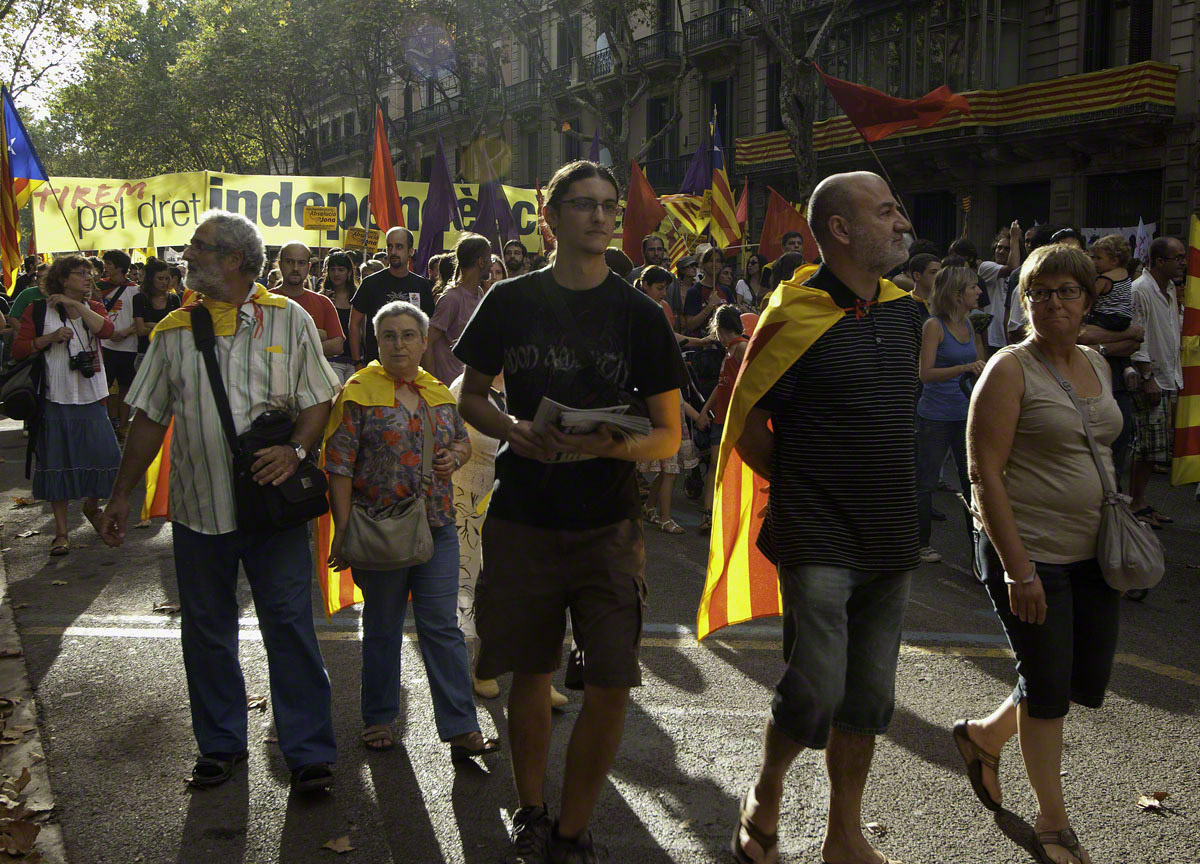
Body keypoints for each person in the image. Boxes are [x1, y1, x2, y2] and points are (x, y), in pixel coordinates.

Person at [453, 160, 686, 864]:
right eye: (583, 205)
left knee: (612, 681)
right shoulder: (509, 300)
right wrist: (514, 429)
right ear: (550, 217)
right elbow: (470, 397)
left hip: (609, 527)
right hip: (523, 515)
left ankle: (572, 830)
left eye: (609, 206)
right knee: (530, 672)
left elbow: (669, 436)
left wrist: (607, 447)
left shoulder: (640, 313)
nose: (600, 216)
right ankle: (532, 811)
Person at [96, 210, 340, 793]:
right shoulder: (175, 329)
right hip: (198, 511)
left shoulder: (291, 319)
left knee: (289, 626)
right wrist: (121, 495)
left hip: (272, 509)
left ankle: (307, 750)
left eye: (198, 247)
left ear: (232, 259)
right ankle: (221, 744)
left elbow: (318, 401)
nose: (188, 254)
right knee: (206, 629)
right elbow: (149, 417)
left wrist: (298, 453)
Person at [728, 171, 921, 864]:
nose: (902, 222)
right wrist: (803, 480)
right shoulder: (792, 311)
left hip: (893, 533)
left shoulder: (906, 312)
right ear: (840, 230)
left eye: (897, 210)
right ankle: (767, 789)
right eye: (887, 210)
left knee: (869, 699)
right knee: (817, 690)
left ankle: (844, 835)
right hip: (817, 533)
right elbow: (745, 419)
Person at [956, 244, 1120, 864]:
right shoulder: (1008, 369)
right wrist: (1018, 569)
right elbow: (984, 472)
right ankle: (1053, 823)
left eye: (1066, 291)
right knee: (1049, 690)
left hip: (1096, 553)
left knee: (1077, 680)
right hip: (1031, 556)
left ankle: (982, 736)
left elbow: (1101, 446)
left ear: (1087, 299)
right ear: (1024, 303)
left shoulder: (1097, 366)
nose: (1053, 302)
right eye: (1040, 292)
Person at [324, 300, 501, 758]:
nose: (399, 343)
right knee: (382, 626)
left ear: (425, 342)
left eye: (408, 335)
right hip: (379, 529)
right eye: (389, 336)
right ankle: (379, 719)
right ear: (376, 342)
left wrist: (455, 457)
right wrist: (342, 531)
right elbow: (338, 465)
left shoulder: (439, 391)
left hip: (437, 526)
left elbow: (461, 443)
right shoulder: (357, 391)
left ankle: (461, 728)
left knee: (441, 627)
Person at [12, 255, 121, 557]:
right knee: (56, 462)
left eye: (90, 273)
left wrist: (77, 307)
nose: (88, 278)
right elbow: (19, 349)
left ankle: (92, 506)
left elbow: (107, 331)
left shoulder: (92, 307)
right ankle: (61, 533)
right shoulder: (37, 310)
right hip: (53, 396)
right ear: (62, 279)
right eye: (80, 274)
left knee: (107, 456)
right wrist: (48, 338)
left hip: (91, 394)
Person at [915, 265, 986, 564]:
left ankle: (980, 550)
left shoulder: (970, 323)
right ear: (957, 294)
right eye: (973, 287)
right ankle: (920, 543)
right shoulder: (934, 326)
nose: (979, 291)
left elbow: (981, 360)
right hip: (935, 417)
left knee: (974, 481)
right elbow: (925, 373)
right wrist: (963, 368)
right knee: (925, 482)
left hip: (965, 414)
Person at [634, 265, 703, 536]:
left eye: (665, 288)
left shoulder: (661, 308)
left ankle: (651, 508)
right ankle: (664, 516)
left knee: (668, 467)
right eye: (659, 288)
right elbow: (669, 340)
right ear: (646, 286)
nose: (663, 293)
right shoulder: (641, 310)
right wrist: (698, 342)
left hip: (667, 390)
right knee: (669, 466)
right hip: (655, 393)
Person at [1128, 235, 1187, 528]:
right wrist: (1147, 375)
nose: (1183, 263)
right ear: (1160, 261)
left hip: (1168, 376)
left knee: (1156, 448)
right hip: (1150, 378)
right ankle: (1135, 504)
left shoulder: (1171, 289)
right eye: (1178, 258)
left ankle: (1141, 502)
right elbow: (1138, 336)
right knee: (1146, 446)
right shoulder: (1140, 290)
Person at [1077, 233, 1143, 485]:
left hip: (1113, 375)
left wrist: (1102, 345)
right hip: (1096, 374)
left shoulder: (1104, 280)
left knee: (1118, 438)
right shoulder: (1126, 277)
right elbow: (1082, 337)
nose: (1093, 261)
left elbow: (1134, 341)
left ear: (1114, 259)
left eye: (1097, 257)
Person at [697, 305, 749, 534]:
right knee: (716, 467)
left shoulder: (741, 348)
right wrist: (704, 411)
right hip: (721, 417)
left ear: (718, 328)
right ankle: (709, 514)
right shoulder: (729, 350)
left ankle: (723, 514)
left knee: (726, 468)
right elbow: (721, 386)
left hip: (735, 419)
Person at [349, 227, 433, 367]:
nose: (393, 252)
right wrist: (357, 362)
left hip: (411, 368)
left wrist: (426, 368)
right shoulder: (370, 283)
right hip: (376, 368)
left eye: (399, 247)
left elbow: (427, 329)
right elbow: (354, 323)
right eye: (390, 246)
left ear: (411, 251)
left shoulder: (421, 285)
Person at [426, 232, 489, 386]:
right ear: (480, 262)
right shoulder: (451, 298)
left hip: (466, 386)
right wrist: (433, 385)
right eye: (489, 259)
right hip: (447, 389)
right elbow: (427, 341)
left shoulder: (479, 292)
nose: (491, 264)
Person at [272, 242, 345, 362]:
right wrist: (316, 335)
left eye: (301, 263)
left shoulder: (323, 302)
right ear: (280, 265)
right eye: (289, 262)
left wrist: (287, 347)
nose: (295, 268)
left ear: (308, 267)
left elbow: (336, 346)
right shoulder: (264, 301)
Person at [97, 250, 139, 439]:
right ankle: (106, 425)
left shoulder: (135, 290)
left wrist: (125, 332)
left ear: (120, 267)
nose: (106, 267)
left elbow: (139, 318)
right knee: (103, 387)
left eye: (109, 264)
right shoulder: (98, 289)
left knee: (125, 387)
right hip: (105, 346)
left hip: (128, 347)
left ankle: (123, 426)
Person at [132, 258, 181, 364]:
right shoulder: (140, 299)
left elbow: (177, 330)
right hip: (146, 354)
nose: (164, 282)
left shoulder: (174, 299)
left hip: (169, 354)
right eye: (160, 278)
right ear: (151, 279)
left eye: (167, 279)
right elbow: (140, 331)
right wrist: (165, 327)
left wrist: (150, 325)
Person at [321, 250, 359, 383]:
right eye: (333, 269)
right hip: (331, 360)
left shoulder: (358, 297)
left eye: (341, 269)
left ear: (349, 272)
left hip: (355, 360)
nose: (336, 274)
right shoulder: (322, 297)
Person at [681, 246, 735, 337]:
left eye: (718, 261)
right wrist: (709, 306)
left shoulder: (726, 291)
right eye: (711, 260)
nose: (715, 264)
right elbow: (690, 325)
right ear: (703, 265)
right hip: (701, 345)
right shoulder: (694, 291)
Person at [906, 252, 941, 319]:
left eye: (940, 272)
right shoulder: (906, 304)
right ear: (917, 276)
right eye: (933, 272)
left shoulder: (944, 302)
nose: (939, 276)